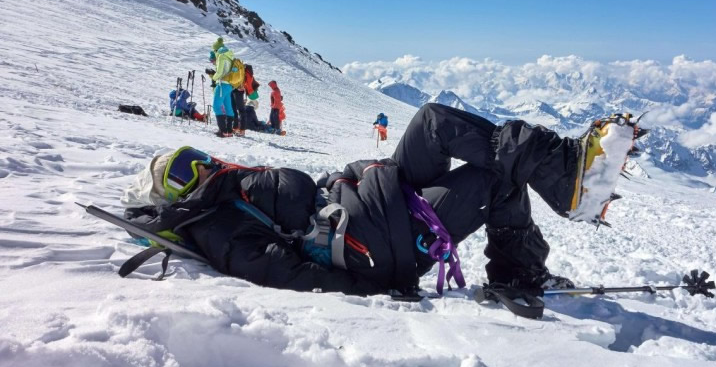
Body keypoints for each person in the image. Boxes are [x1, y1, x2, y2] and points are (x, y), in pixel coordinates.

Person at [121, 103, 645, 297]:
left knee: (433, 121)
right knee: (494, 180)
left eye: (194, 156)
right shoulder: (216, 225)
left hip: (378, 195)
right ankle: (522, 268)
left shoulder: (236, 186)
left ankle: (565, 170)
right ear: (178, 197)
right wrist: (381, 287)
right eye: (185, 172)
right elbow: (286, 273)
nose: (203, 166)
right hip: (379, 241)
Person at [207, 37, 236, 138]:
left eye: (214, 50)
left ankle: (223, 131)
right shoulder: (229, 56)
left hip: (222, 84)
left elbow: (219, 73)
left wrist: (213, 78)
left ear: (216, 49)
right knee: (228, 107)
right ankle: (229, 131)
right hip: (229, 85)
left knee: (216, 106)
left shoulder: (221, 56)